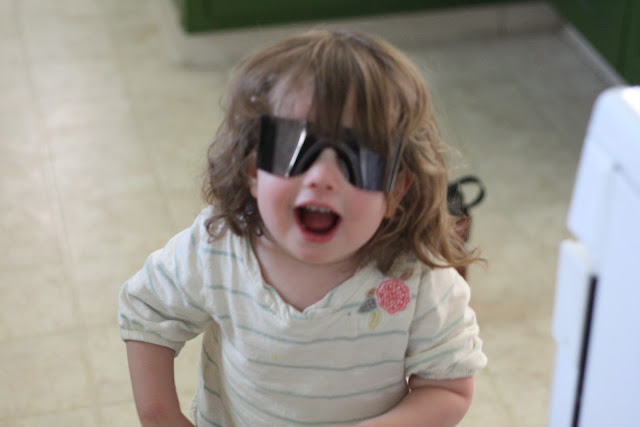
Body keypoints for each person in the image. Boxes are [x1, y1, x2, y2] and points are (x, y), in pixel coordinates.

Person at [119, 28, 487, 427]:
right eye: (294, 148)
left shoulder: (417, 277)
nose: (321, 177)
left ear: (395, 191)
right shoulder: (217, 247)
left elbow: (448, 386)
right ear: (253, 171)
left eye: (358, 157)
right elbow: (147, 311)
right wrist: (160, 415)